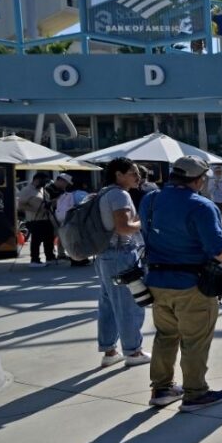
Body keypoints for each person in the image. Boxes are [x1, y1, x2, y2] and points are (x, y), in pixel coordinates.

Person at [140, 156, 222, 410]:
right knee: (195, 339)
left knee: (165, 335)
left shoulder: (151, 200)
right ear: (198, 180)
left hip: (156, 280)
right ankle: (195, 392)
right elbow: (217, 248)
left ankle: (162, 388)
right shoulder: (201, 205)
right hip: (191, 283)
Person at [91, 158, 150, 368]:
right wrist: (144, 220)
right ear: (119, 174)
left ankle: (109, 351)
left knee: (107, 303)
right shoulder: (119, 194)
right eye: (133, 173)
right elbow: (124, 227)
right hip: (121, 253)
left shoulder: (103, 193)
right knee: (129, 303)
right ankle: (133, 351)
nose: (138, 176)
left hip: (104, 254)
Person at [19, 174, 56, 268]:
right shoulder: (27, 190)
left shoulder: (42, 189)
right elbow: (21, 205)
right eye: (43, 180)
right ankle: (35, 260)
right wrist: (36, 209)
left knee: (49, 239)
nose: (45, 183)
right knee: (36, 240)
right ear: (37, 180)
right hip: (35, 219)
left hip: (46, 218)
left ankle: (50, 257)